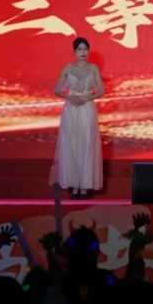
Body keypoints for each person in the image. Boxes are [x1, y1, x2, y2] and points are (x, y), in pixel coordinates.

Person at [50, 36, 104, 200]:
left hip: (87, 109)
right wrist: (71, 97)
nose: (83, 52)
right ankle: (74, 186)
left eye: (85, 49)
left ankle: (84, 187)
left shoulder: (93, 68)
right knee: (72, 145)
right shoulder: (67, 68)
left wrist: (86, 98)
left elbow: (101, 90)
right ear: (74, 51)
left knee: (86, 144)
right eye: (80, 49)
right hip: (72, 109)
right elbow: (57, 89)